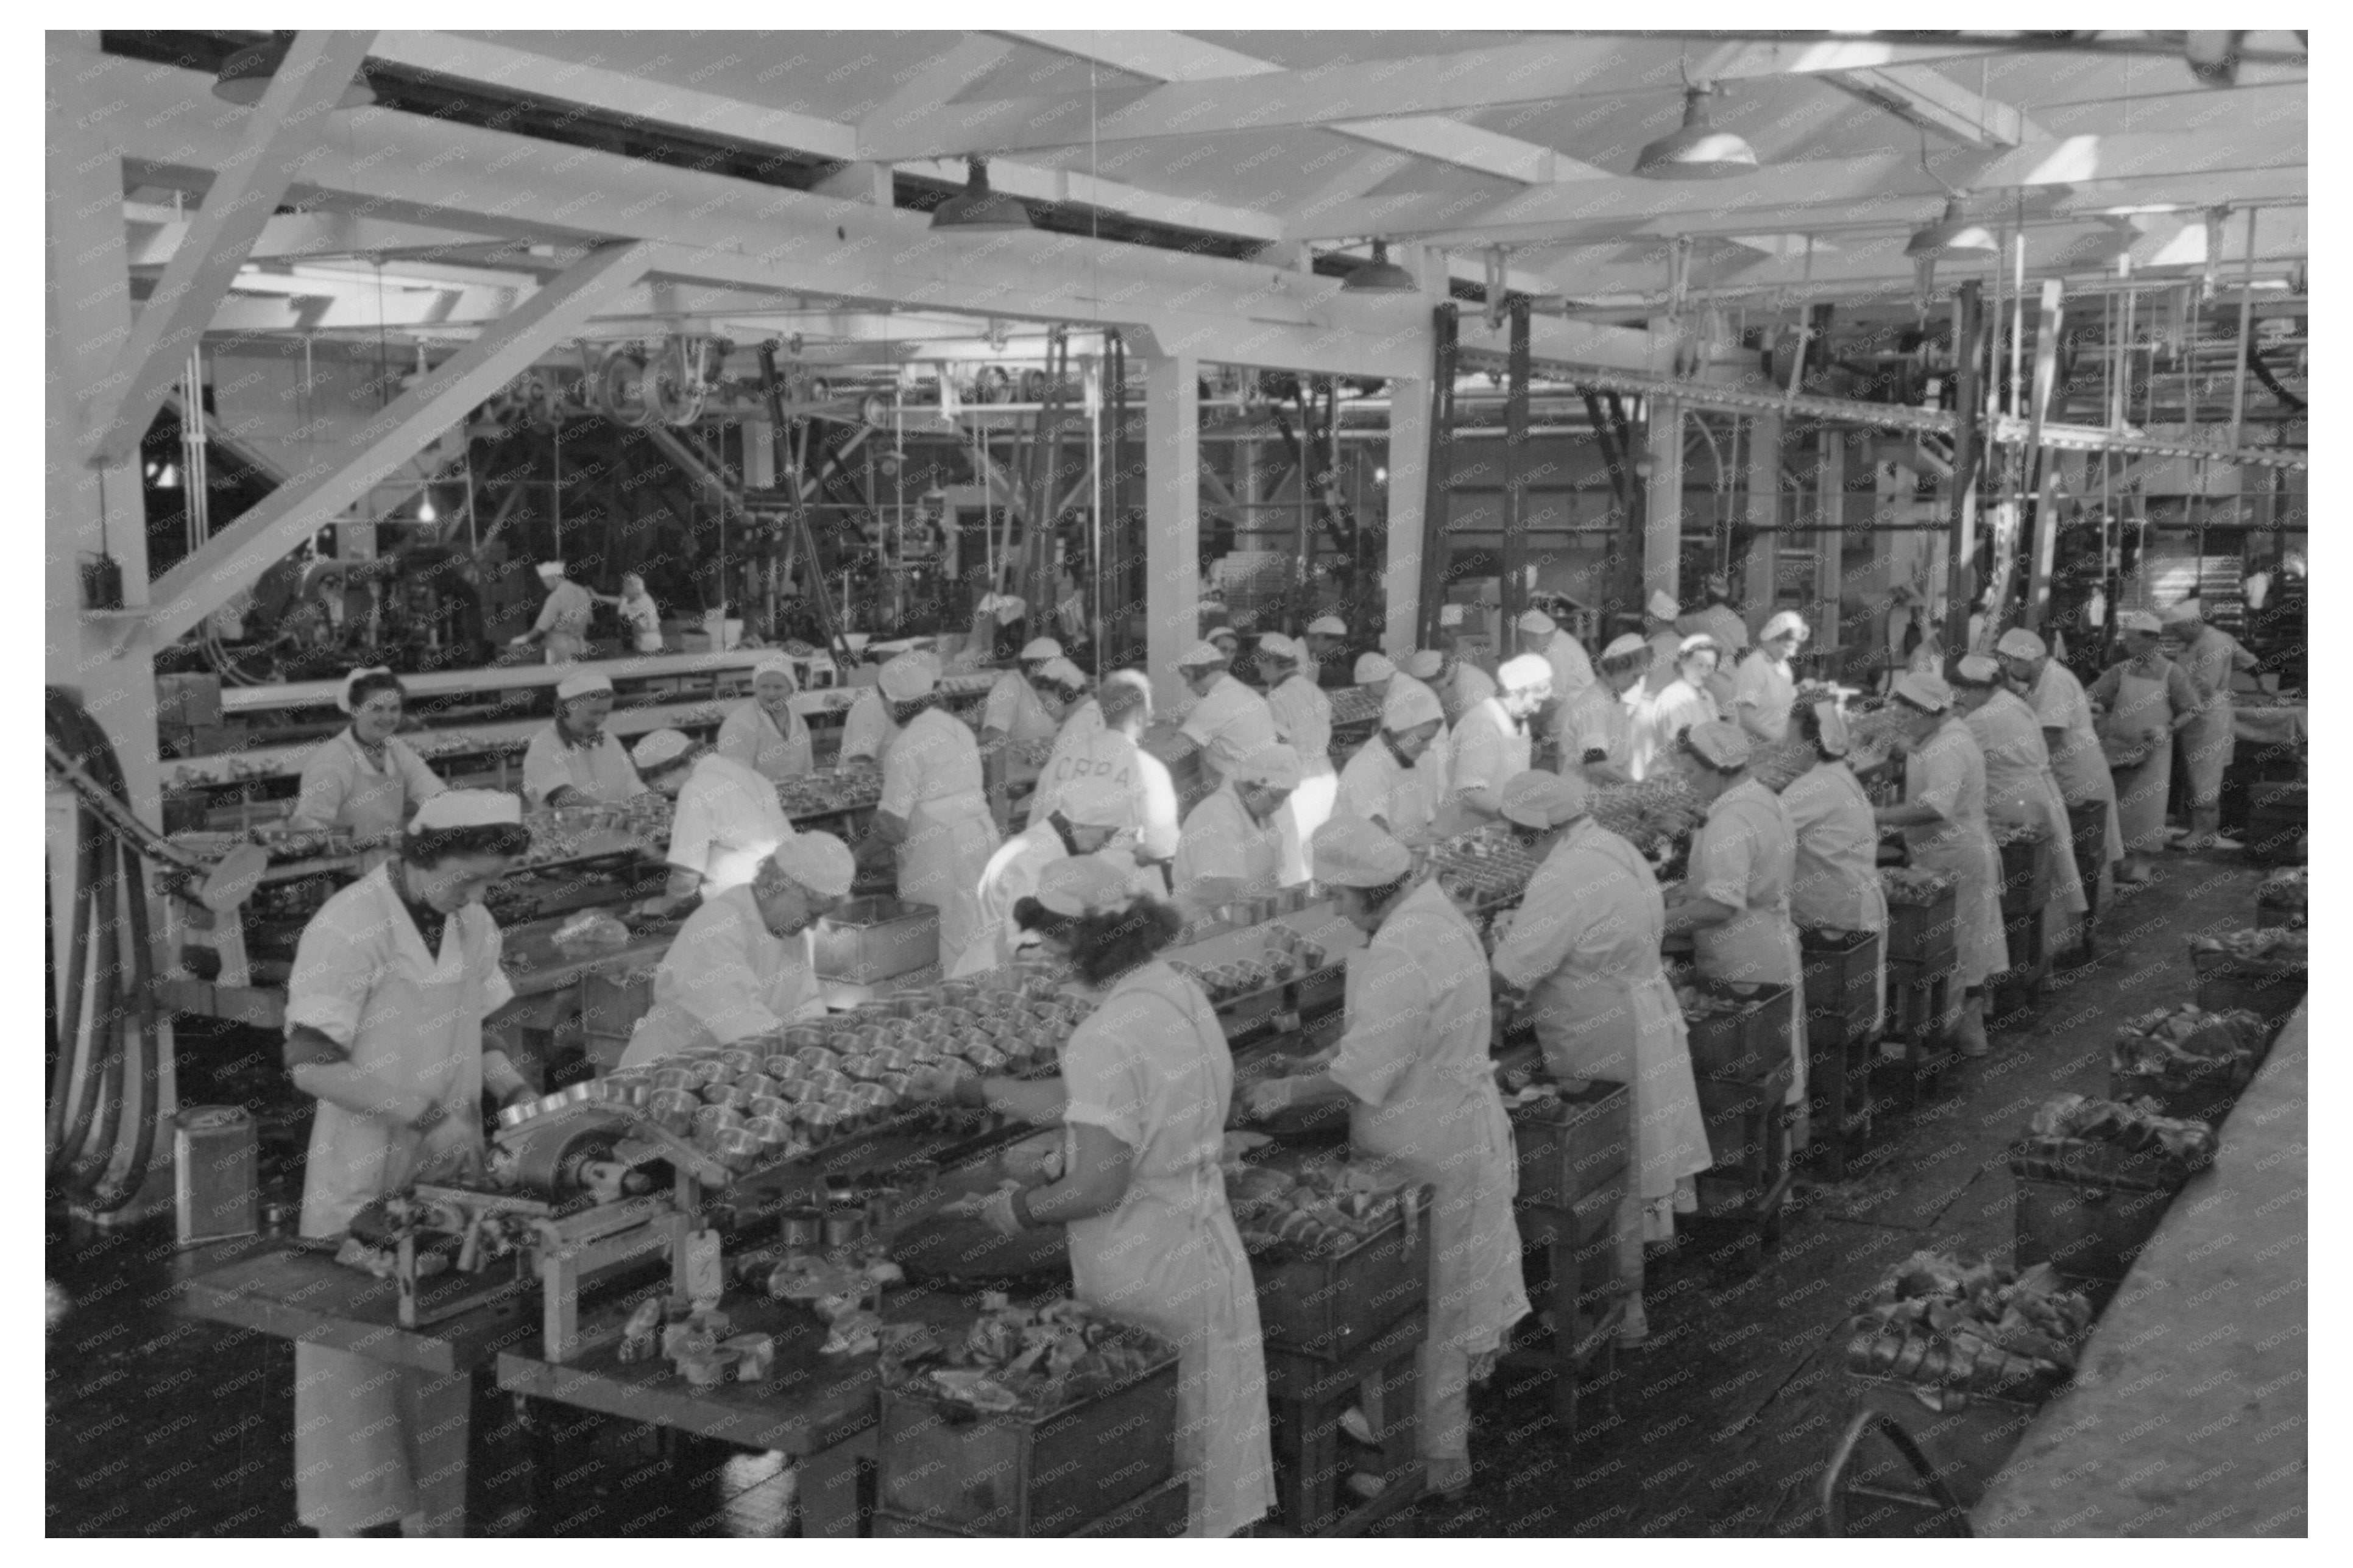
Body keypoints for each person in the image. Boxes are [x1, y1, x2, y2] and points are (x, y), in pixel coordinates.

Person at [907, 857, 1276, 1537]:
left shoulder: (1105, 1034)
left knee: (1156, 1442)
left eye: (1050, 943)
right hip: (1199, 1237)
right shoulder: (1170, 993)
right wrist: (971, 1089)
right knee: (1211, 1420)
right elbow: (1091, 1103)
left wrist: (1018, 1210)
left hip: (1143, 1263)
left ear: (1085, 941)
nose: (1046, 959)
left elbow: (1099, 1184)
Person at [1243, 818, 1528, 1498]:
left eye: (1339, 899)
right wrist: (1319, 1057)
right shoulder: (1432, 913)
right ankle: (1428, 1443)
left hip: (1423, 1139)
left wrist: (1285, 1086)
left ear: (1370, 891)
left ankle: (1427, 1461)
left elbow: (1369, 1067)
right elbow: (1392, 1032)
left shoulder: (1404, 946)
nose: (1337, 913)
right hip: (1446, 1124)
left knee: (1421, 1305)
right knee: (1442, 1293)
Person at [280, 791, 537, 1536]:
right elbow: (307, 1062)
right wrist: (424, 1115)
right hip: (365, 1164)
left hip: (448, 1164)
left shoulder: (472, 919)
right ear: (422, 856)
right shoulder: (350, 925)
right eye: (466, 879)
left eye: (489, 882)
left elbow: (483, 1025)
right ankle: (348, 1524)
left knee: (439, 1342)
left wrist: (515, 1093)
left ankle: (432, 1522)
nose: (477, 896)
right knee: (352, 1360)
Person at [1489, 771, 1709, 1343]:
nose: (1519, 847)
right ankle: (1622, 1296)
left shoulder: (1563, 874)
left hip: (1600, 1031)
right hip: (1631, 1014)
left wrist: (1484, 971)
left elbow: (1513, 971)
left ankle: (1610, 1308)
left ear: (1538, 829)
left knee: (1602, 1172)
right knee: (1625, 1162)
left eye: (1519, 836)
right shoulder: (1611, 845)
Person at [1663, 721, 1811, 1131]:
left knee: (1747, 1070)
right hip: (1770, 939)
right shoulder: (1762, 797)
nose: (1690, 784)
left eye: (1692, 773)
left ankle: (1754, 1166)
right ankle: (1787, 1155)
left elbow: (1719, 907)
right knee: (1779, 1060)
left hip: (1743, 952)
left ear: (1717, 768)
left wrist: (1652, 921)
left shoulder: (1731, 819)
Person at [618, 835, 854, 1068]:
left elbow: (803, 1005)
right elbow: (741, 1023)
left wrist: (823, 1047)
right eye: (812, 914)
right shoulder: (719, 924)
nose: (812, 926)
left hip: (725, 1069)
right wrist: (800, 1060)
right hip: (668, 1071)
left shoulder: (789, 932)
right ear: (781, 886)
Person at [1875, 673, 2009, 1055]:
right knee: (1961, 943)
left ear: (1928, 712)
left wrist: (1878, 817)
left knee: (1957, 948)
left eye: (1907, 717)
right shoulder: (1941, 734)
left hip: (1956, 857)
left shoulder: (1949, 744)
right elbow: (1918, 749)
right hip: (1947, 854)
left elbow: (1935, 806)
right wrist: (1898, 746)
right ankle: (1960, 1032)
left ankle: (1952, 1034)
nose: (1905, 726)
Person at [866, 652, 1001, 963]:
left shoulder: (908, 744)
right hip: (978, 836)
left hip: (941, 849)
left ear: (890, 700)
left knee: (947, 937)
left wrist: (855, 859)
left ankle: (958, 1000)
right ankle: (984, 998)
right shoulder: (956, 727)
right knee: (979, 928)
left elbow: (892, 826)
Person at [1775, 701, 1891, 1041]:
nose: (1785, 748)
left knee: (1839, 1023)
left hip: (1838, 916)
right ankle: (1854, 1085)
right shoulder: (1836, 775)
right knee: (1855, 1019)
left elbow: (1765, 837)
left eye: (1791, 740)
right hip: (1851, 905)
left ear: (1814, 743)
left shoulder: (1814, 787)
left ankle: (1838, 1089)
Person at [1952, 654, 2088, 937]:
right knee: (2046, 878)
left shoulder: (1982, 718)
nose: (1961, 701)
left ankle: (2026, 958)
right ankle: (2049, 954)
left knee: (2021, 887)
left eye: (1963, 694)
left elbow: (1954, 756)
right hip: (2037, 795)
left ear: (1977, 688)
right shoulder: (2010, 702)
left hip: (2013, 804)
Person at [1997, 626, 2120, 936]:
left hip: (2077, 774)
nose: (2009, 671)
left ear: (2025, 659)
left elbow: (2051, 732)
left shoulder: (2055, 681)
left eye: (2010, 662)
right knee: (2076, 856)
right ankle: (2075, 934)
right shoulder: (2042, 679)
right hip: (2067, 770)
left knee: (2082, 855)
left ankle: (2079, 933)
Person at [952, 772, 1137, 976]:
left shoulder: (1052, 844)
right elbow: (1028, 947)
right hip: (994, 973)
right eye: (1107, 833)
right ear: (1080, 824)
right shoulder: (1035, 858)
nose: (1108, 842)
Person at [2087, 610, 2201, 885]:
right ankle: (2118, 859)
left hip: (2155, 751)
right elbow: (2092, 695)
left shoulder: (2172, 673)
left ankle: (2143, 862)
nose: (2127, 646)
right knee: (2117, 806)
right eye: (2126, 641)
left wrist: (2169, 728)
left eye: (2132, 641)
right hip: (2116, 749)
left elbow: (2192, 709)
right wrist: (2092, 707)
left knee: (2148, 808)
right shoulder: (2120, 670)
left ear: (2152, 641)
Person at [290, 668, 447, 861]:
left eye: (394, 709)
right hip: (342, 873)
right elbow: (310, 827)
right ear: (355, 710)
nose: (387, 718)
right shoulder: (333, 760)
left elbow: (435, 795)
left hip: (388, 867)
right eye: (377, 709)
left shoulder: (397, 750)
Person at [1030, 669, 1182, 867]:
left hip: (1061, 878)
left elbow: (1036, 830)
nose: (1151, 716)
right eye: (1149, 712)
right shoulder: (1150, 770)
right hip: (1120, 884)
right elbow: (1162, 849)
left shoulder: (1061, 761)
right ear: (1139, 715)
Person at [632, 728, 795, 909]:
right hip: (790, 883)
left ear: (664, 772)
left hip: (744, 896)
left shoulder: (695, 789)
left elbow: (687, 877)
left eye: (656, 787)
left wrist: (659, 908)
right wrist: (656, 856)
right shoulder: (741, 770)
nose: (665, 794)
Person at [2164, 599, 2259, 852]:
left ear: (2194, 623)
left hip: (2206, 717)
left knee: (2205, 777)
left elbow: (2202, 688)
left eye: (2178, 629)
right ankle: (2198, 829)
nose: (2175, 634)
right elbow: (2247, 661)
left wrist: (2173, 709)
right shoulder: (2199, 640)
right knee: (2195, 776)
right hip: (2196, 716)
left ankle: (2204, 833)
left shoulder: (2213, 642)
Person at [1172, 744, 1300, 908]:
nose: (1279, 806)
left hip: (1247, 916)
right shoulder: (1216, 815)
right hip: (1206, 924)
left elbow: (1273, 877)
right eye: (1275, 797)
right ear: (1250, 786)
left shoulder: (1261, 817)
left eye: (1284, 798)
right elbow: (1221, 886)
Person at [1256, 632, 1338, 886]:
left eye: (1260, 663)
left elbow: (1279, 745)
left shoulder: (1278, 697)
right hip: (1324, 777)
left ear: (1272, 662)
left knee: (1293, 859)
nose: (1258, 670)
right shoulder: (1315, 691)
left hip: (1297, 783)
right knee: (1319, 852)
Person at [1336, 677, 1445, 841]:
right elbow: (1375, 837)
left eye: (1430, 739)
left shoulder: (1413, 760)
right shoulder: (1367, 768)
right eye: (1422, 739)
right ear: (1396, 731)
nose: (1427, 748)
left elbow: (1424, 823)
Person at [522, 671, 648, 808]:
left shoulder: (609, 741)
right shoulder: (545, 744)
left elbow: (632, 785)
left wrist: (649, 802)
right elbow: (563, 796)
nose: (599, 720)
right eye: (593, 713)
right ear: (570, 706)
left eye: (604, 713)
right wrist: (606, 810)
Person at [1446, 653, 1549, 818]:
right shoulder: (1482, 725)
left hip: (1502, 824)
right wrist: (1517, 816)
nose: (1537, 710)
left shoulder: (1519, 722)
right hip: (1468, 829)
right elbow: (1470, 792)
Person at [1175, 640, 1279, 791]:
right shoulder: (1243, 692)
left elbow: (1174, 751)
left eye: (1186, 676)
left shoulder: (1217, 701)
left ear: (1192, 672)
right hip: (1260, 786)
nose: (1188, 685)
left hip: (1239, 792)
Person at [1562, 634, 1647, 786]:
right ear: (1618, 669)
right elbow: (1596, 765)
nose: (1637, 684)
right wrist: (1636, 786)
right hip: (1583, 794)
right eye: (1635, 677)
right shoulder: (1594, 704)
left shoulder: (1614, 699)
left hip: (1603, 791)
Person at [715, 654, 815, 783]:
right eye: (764, 686)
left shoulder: (798, 722)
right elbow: (735, 776)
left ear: (791, 690)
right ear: (755, 688)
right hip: (756, 798)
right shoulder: (740, 723)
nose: (771, 693)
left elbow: (808, 768)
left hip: (796, 797)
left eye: (778, 687)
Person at [981, 636, 1067, 774]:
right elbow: (996, 736)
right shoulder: (1008, 687)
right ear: (1032, 666)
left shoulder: (1055, 687)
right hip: (1018, 775)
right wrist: (1023, 758)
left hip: (1053, 768)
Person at [1732, 612, 1807, 744]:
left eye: (1794, 647)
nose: (1791, 653)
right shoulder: (1754, 667)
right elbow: (1746, 718)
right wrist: (1776, 739)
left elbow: (1778, 698)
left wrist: (1801, 690)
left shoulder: (1782, 666)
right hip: (1753, 750)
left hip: (1775, 750)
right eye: (1787, 647)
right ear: (1773, 639)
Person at [510, 560, 595, 663]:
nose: (545, 585)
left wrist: (524, 638)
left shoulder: (556, 597)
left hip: (560, 646)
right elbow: (590, 621)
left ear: (552, 578)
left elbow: (542, 626)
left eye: (545, 581)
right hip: (581, 646)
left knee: (560, 677)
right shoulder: (583, 592)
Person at [1676, 573, 1752, 665]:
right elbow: (1743, 655)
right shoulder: (1739, 623)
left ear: (1708, 597)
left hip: (1705, 668)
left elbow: (1672, 623)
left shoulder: (1699, 619)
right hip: (1729, 671)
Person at [1431, 634, 1498, 727]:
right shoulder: (1454, 677)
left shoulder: (1469, 682)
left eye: (1443, 660)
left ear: (1452, 653)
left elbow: (1470, 728)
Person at [597, 573, 664, 655]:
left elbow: (621, 612)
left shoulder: (642, 602)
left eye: (625, 587)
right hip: (644, 637)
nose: (623, 590)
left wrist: (624, 599)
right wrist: (598, 597)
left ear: (632, 587)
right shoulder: (641, 597)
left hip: (648, 640)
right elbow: (619, 601)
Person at [1306, 613, 1354, 690]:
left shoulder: (1313, 657)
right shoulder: (1294, 657)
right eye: (1333, 646)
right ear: (1321, 637)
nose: (1332, 651)